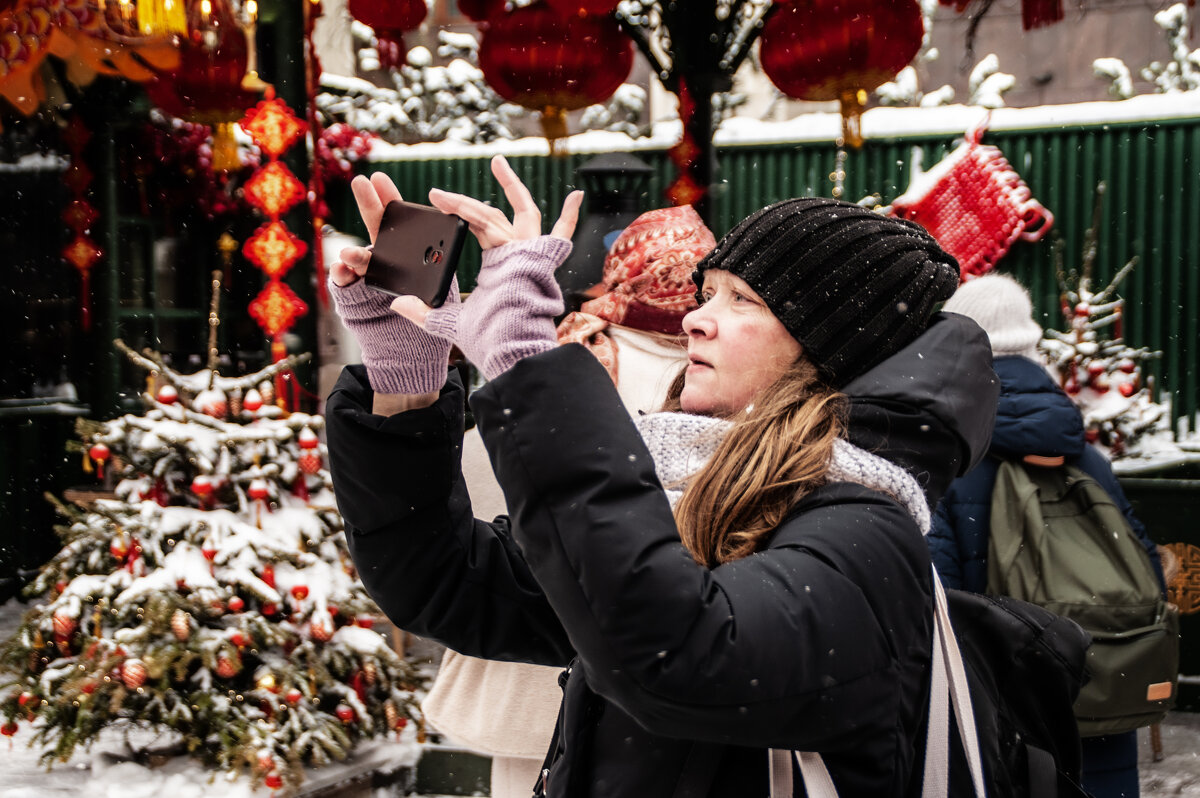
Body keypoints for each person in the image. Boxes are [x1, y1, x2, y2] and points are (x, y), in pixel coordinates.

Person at [325, 155, 998, 797]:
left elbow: (681, 659)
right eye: (707, 293)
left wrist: (531, 369)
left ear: (829, 346)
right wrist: (405, 384)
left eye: (743, 301)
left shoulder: (865, 527)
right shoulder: (700, 489)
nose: (695, 320)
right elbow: (443, 582)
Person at [421, 205, 714, 798]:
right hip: (666, 669)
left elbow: (476, 485)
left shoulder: (557, 349)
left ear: (619, 271)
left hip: (529, 668)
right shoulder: (727, 368)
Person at [929, 272, 1166, 798]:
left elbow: (933, 593)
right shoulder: (1082, 450)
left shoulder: (947, 449)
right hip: (1100, 678)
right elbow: (1143, 559)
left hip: (1002, 700)